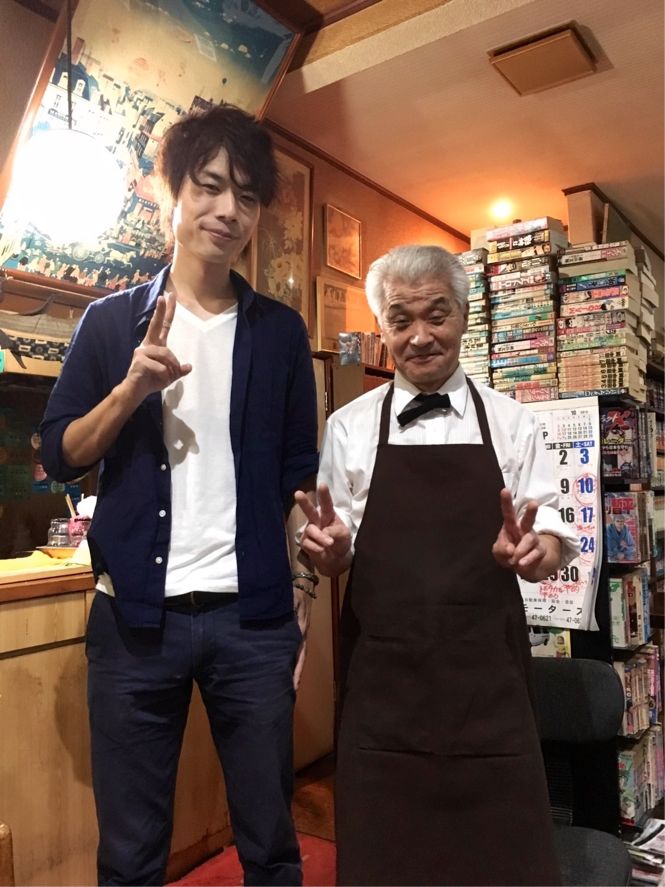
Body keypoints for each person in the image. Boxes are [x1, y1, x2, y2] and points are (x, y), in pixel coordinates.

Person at [40, 104, 319, 887]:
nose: (229, 209)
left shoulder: (280, 332)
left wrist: (303, 585)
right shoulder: (110, 324)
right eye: (210, 186)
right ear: (173, 194)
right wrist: (130, 387)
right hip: (134, 621)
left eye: (247, 196)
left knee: (270, 841)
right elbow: (59, 453)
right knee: (130, 855)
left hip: (251, 618)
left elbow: (299, 474)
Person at [296, 244, 580, 886]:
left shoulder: (513, 422)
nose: (420, 337)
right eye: (401, 320)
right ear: (383, 328)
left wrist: (535, 554)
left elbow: (551, 540)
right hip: (384, 689)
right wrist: (330, 554)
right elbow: (336, 547)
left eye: (436, 314)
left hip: (488, 685)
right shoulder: (347, 427)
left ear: (464, 315)